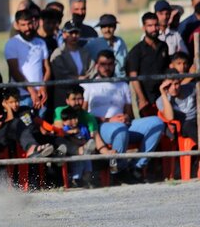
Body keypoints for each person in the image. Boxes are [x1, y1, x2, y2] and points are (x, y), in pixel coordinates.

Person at [83, 49, 165, 183]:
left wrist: (127, 117)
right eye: (103, 64)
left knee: (156, 123)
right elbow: (83, 115)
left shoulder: (122, 85)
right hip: (102, 126)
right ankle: (119, 171)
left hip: (123, 124)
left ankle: (137, 166)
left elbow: (129, 113)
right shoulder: (89, 86)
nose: (107, 67)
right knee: (120, 130)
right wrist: (108, 120)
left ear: (114, 65)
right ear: (97, 65)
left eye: (110, 64)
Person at [4, 9, 50, 111]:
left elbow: (47, 68)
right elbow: (14, 71)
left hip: (40, 96)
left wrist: (43, 87)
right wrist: (31, 91)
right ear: (17, 25)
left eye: (29, 24)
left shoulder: (41, 43)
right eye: (23, 25)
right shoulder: (12, 43)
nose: (27, 28)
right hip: (21, 97)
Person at [126, 12, 171, 116]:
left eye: (156, 25)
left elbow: (167, 68)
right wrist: (142, 99)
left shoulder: (163, 46)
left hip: (163, 95)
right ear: (143, 28)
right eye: (150, 26)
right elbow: (134, 77)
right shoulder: (136, 51)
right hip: (147, 98)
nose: (154, 29)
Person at [49, 21, 94, 109]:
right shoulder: (58, 53)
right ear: (64, 35)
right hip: (64, 96)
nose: (74, 36)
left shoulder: (84, 52)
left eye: (76, 33)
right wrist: (77, 78)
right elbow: (59, 74)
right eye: (71, 33)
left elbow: (92, 69)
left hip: (83, 96)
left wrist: (87, 78)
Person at [156, 69, 197, 142]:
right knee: (189, 126)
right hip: (185, 125)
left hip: (197, 118)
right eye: (170, 85)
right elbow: (170, 117)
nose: (174, 88)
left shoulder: (191, 88)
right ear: (164, 84)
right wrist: (163, 94)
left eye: (176, 84)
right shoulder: (161, 100)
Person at [59, 106, 95, 187]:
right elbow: (63, 136)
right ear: (64, 122)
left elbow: (87, 139)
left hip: (85, 151)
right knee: (78, 162)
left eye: (75, 118)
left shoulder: (82, 128)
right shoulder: (64, 129)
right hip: (73, 153)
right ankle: (76, 179)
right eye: (70, 119)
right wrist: (71, 132)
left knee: (87, 161)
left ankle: (87, 179)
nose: (74, 121)